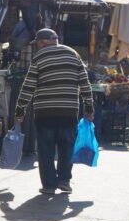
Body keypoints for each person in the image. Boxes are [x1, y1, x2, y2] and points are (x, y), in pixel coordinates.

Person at [15, 29, 94, 194]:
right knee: (66, 148)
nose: (38, 46)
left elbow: (28, 86)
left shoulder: (39, 57)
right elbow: (84, 83)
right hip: (69, 112)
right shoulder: (74, 54)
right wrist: (89, 107)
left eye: (38, 43)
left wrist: (20, 109)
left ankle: (49, 185)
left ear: (42, 42)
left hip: (45, 112)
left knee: (46, 150)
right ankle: (64, 181)